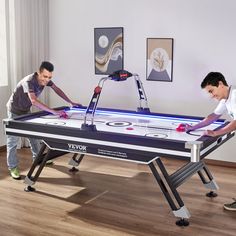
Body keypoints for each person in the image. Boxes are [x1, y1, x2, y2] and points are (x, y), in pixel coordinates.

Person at [6, 61, 81, 180]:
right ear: (39, 73)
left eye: (49, 77)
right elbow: (34, 101)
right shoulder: (29, 81)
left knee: (34, 137)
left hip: (25, 110)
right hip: (14, 110)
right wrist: (54, 112)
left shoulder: (46, 80)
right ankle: (13, 167)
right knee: (12, 142)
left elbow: (57, 89)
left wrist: (70, 101)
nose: (47, 80)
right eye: (45, 76)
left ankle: (38, 159)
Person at [185, 71, 236, 211]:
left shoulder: (235, 95)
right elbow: (213, 117)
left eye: (211, 91)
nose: (211, 95)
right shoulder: (226, 99)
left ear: (220, 84)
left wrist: (216, 133)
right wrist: (193, 127)